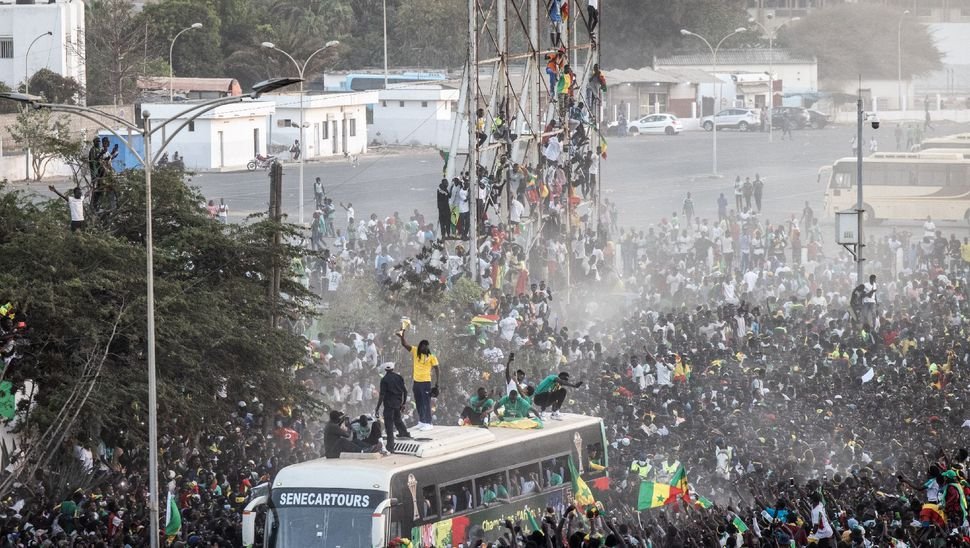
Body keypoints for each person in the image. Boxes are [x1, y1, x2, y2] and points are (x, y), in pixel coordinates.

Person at [398, 328, 439, 431]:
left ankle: (428, 423)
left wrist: (437, 383)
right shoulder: (415, 351)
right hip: (416, 382)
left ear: (427, 347)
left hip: (426, 382)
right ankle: (422, 421)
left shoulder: (431, 357)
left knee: (426, 402)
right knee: (419, 402)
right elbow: (404, 344)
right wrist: (402, 336)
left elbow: (437, 369)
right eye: (422, 346)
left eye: (425, 347)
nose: (423, 348)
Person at [375, 362, 410, 452]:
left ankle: (390, 446)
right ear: (393, 369)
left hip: (389, 405)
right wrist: (404, 403)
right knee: (397, 419)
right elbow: (405, 391)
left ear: (385, 370)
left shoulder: (384, 380)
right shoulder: (399, 377)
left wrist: (378, 407)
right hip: (398, 403)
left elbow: (382, 395)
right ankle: (404, 433)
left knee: (389, 425)